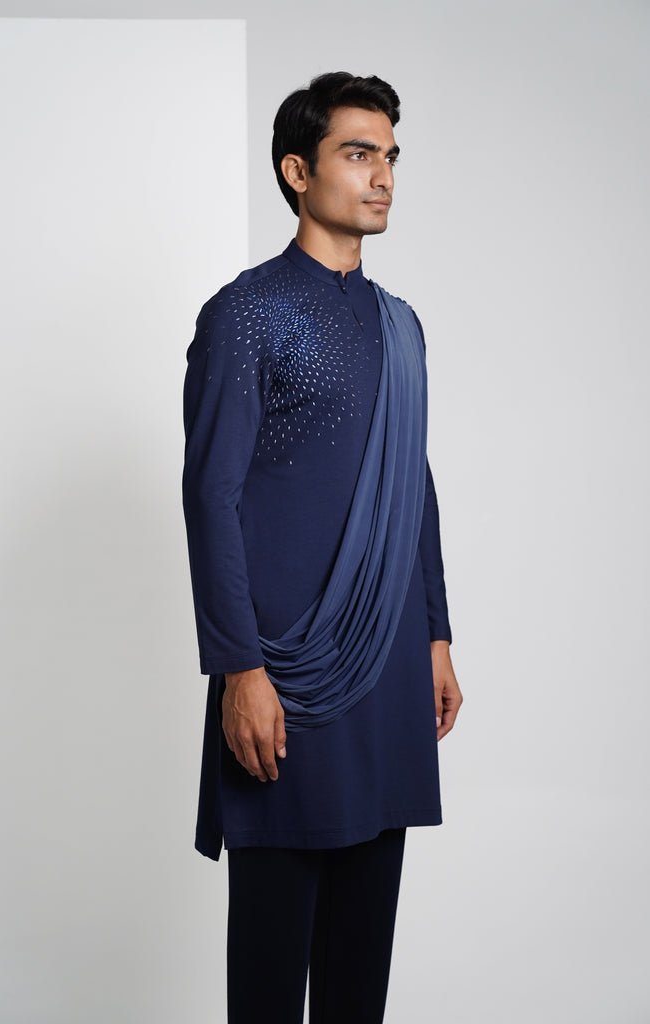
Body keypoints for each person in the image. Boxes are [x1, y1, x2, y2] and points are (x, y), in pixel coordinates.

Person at [182, 71, 462, 1024]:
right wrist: (239, 669)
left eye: (389, 156)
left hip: (388, 668)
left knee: (358, 977)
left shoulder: (400, 324)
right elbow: (210, 497)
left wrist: (435, 635)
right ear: (297, 172)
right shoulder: (246, 313)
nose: (382, 176)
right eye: (357, 153)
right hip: (285, 679)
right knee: (269, 980)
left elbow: (413, 483)